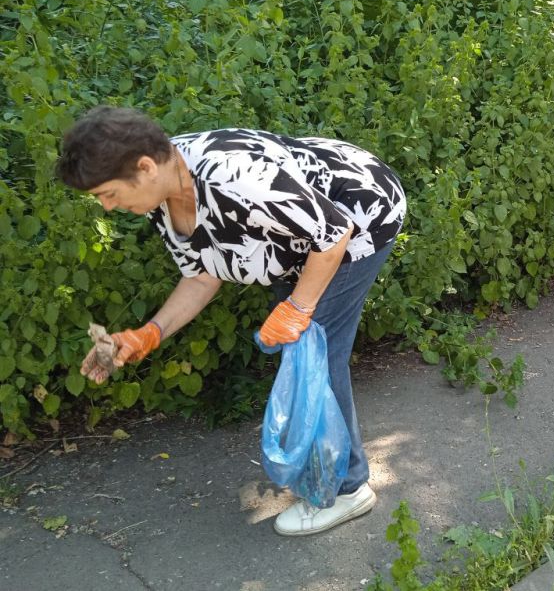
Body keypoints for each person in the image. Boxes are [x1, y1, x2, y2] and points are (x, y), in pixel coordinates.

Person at [56, 106, 406, 535]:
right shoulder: (163, 196)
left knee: (315, 354)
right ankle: (334, 476)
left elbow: (333, 234)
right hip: (303, 239)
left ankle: (347, 490)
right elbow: (202, 275)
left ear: (144, 167)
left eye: (107, 193)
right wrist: (150, 332)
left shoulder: (236, 179)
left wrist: (298, 309)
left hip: (359, 214)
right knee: (302, 349)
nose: (108, 207)